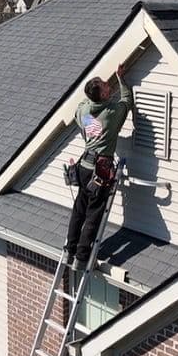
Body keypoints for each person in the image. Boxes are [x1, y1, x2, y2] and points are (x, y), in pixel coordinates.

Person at [65, 64, 134, 268]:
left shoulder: (84, 110)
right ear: (102, 95)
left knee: (79, 210)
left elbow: (80, 111)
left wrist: (95, 128)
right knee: (93, 214)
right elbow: (127, 101)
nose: (108, 85)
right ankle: (82, 257)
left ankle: (70, 251)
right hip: (100, 171)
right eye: (105, 86)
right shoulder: (111, 113)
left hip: (84, 167)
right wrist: (121, 79)